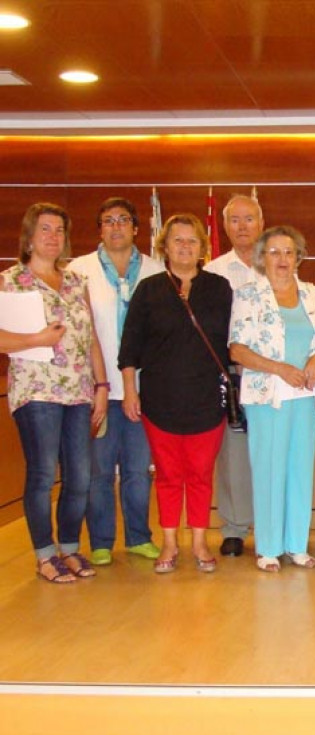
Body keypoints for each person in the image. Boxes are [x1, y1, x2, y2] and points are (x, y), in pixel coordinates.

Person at [0, 203, 108, 583]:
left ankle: (70, 548)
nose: (52, 237)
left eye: (59, 230)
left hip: (78, 393)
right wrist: (36, 339)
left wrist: (101, 386)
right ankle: (45, 555)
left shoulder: (76, 281)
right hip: (36, 394)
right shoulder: (10, 281)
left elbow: (91, 337)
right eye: (45, 229)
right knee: (44, 475)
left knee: (80, 476)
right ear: (29, 235)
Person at [119, 213, 232, 574]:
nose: (185, 247)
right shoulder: (149, 289)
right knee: (168, 475)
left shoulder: (219, 287)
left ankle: (199, 542)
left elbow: (234, 342)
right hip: (159, 398)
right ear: (164, 247)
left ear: (203, 248)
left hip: (206, 399)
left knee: (200, 474)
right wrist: (128, 390)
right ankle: (169, 541)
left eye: (192, 241)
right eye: (178, 240)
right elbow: (129, 347)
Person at [229, 226, 315, 572]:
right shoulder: (248, 295)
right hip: (267, 396)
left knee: (300, 469)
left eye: (288, 252)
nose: (282, 259)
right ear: (262, 258)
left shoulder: (312, 294)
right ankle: (270, 547)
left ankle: (296, 545)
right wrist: (279, 368)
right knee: (269, 469)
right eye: (274, 252)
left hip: (304, 394)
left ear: (298, 257)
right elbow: (237, 349)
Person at [69, 197, 164, 566]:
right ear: (99, 229)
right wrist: (96, 384)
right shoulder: (79, 270)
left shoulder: (156, 271)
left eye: (124, 219)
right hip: (98, 388)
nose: (116, 226)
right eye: (108, 220)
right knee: (99, 472)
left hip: (143, 390)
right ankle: (101, 541)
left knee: (139, 470)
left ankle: (139, 537)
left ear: (136, 228)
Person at [205, 194, 264, 558]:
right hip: (232, 374)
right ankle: (234, 527)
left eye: (249, 219)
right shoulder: (213, 271)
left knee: (270, 451)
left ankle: (272, 525)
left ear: (261, 221)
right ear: (224, 227)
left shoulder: (277, 262)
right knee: (234, 456)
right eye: (235, 220)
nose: (242, 227)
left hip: (273, 375)